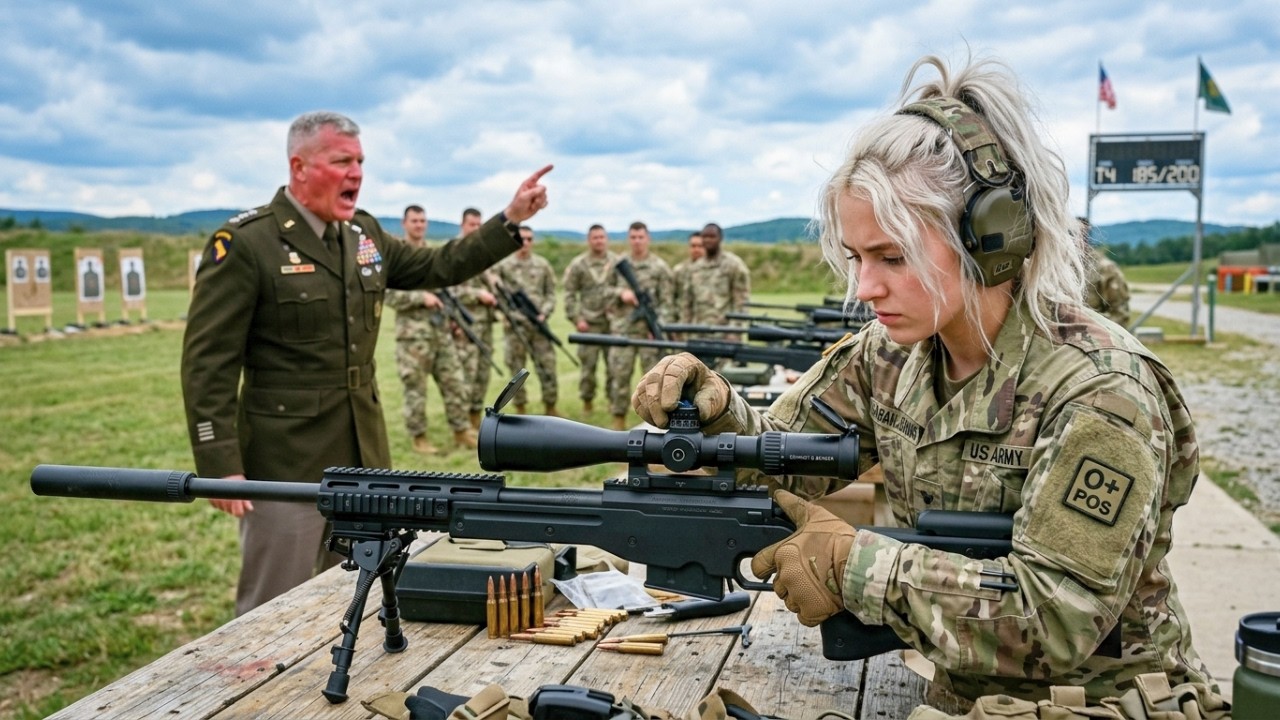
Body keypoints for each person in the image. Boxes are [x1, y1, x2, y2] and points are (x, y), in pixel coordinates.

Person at [630, 56, 1225, 712]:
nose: (865, 287)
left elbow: (1058, 618)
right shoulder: (890, 357)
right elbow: (785, 462)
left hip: (1100, 704)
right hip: (962, 700)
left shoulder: (1102, 395)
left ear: (990, 240)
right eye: (858, 258)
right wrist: (716, 416)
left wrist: (852, 567)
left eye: (893, 257)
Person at [181, 110, 551, 615]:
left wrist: (508, 220)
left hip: (360, 455)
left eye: (360, 161)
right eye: (341, 161)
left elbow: (438, 266)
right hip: (284, 462)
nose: (356, 172)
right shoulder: (248, 244)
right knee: (273, 607)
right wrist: (220, 464)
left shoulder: (363, 234)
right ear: (300, 167)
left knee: (354, 598)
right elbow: (208, 361)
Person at [384, 205, 475, 455]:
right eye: (414, 220)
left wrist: (453, 321)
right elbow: (387, 294)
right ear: (404, 223)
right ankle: (419, 437)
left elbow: (447, 291)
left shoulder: (430, 253)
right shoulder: (396, 255)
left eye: (423, 220)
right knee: (415, 388)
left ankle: (461, 430)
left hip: (440, 331)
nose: (419, 225)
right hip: (413, 337)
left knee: (454, 382)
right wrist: (419, 298)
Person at [604, 221, 673, 429]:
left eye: (640, 237)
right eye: (633, 237)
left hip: (648, 335)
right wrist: (620, 294)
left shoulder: (659, 267)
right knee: (619, 376)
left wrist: (658, 327)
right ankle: (618, 420)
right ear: (628, 239)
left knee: (653, 381)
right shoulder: (617, 266)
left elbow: (668, 302)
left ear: (648, 238)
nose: (637, 241)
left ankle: (654, 423)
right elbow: (603, 293)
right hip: (623, 331)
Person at [495, 225, 560, 416]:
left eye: (530, 239)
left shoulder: (542, 265)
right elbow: (500, 299)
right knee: (516, 370)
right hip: (516, 329)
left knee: (547, 366)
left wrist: (544, 313)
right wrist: (517, 317)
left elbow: (551, 294)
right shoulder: (503, 267)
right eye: (521, 239)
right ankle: (519, 409)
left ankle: (551, 408)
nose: (525, 243)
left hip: (539, 327)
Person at [447, 208, 500, 429]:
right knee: (466, 373)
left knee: (482, 373)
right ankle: (462, 423)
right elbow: (447, 289)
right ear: (462, 225)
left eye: (479, 225)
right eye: (472, 225)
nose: (476, 229)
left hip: (485, 323)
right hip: (464, 324)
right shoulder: (453, 252)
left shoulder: (483, 252)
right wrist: (477, 295)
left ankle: (475, 415)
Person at [562, 224, 619, 414]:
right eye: (595, 237)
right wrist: (576, 318)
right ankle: (587, 402)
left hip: (612, 323)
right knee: (588, 368)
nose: (599, 241)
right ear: (589, 240)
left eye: (602, 237)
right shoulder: (579, 264)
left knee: (614, 367)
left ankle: (613, 401)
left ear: (607, 239)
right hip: (589, 324)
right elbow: (569, 293)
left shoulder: (617, 263)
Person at [683, 222, 750, 330]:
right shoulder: (694, 268)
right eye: (705, 237)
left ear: (720, 238)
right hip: (698, 331)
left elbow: (741, 303)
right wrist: (684, 328)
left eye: (712, 237)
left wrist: (735, 330)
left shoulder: (734, 265)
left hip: (724, 331)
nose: (708, 240)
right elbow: (687, 304)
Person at [1080, 218, 1132, 328]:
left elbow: (1120, 313)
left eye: (1080, 235)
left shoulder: (1105, 268)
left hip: (1095, 334)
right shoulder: (1054, 267)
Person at [671, 231, 704, 330]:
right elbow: (671, 300)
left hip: (706, 327)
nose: (696, 250)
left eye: (700, 246)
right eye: (693, 246)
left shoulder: (715, 271)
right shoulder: (679, 271)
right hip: (683, 327)